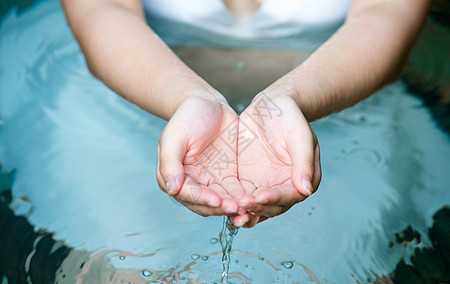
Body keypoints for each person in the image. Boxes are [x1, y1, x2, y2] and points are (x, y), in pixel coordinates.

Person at [61, 0, 431, 228]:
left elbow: (389, 9)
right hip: (130, 116)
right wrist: (187, 98)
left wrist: (290, 98)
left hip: (344, 120)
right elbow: (102, 8)